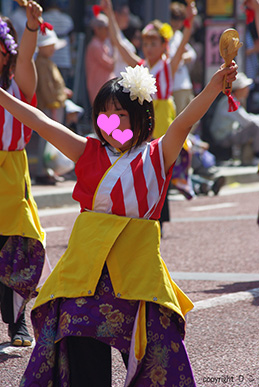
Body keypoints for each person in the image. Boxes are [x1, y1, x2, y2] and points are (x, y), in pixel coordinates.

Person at [0, 55, 237, 385]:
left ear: (142, 116)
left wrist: (214, 86)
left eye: (122, 114)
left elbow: (183, 123)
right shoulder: (88, 150)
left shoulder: (157, 155)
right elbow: (41, 123)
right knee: (81, 352)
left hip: (138, 277)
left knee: (154, 361)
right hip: (86, 277)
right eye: (105, 114)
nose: (112, 121)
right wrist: (2, 95)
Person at [101, 0, 197, 228]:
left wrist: (190, 19)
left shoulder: (168, 66)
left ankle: (159, 218)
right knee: (147, 172)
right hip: (144, 125)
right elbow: (119, 44)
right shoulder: (140, 66)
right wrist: (109, 14)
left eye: (154, 42)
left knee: (160, 173)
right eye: (146, 42)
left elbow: (184, 38)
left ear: (164, 45)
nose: (149, 47)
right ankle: (145, 215)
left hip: (163, 124)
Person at [0, 1, 51, 348]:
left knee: (20, 247)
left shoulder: (18, 88)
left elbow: (27, 61)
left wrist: (31, 28)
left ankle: (18, 322)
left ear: (6, 53)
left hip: (12, 175)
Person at [35, 27, 73, 184]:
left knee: (50, 141)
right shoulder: (42, 64)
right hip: (50, 107)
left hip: (53, 106)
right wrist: (60, 97)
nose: (53, 48)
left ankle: (49, 170)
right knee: (46, 141)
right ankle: (43, 171)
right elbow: (47, 89)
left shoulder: (46, 62)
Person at [210, 72, 259, 165]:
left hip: (227, 135)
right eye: (245, 87)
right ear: (238, 89)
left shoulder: (232, 99)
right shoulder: (230, 101)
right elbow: (247, 121)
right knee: (256, 126)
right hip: (223, 138)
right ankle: (257, 157)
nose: (247, 90)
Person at [169, 1, 197, 115]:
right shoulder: (165, 36)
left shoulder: (179, 35)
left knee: (193, 118)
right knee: (179, 118)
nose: (177, 23)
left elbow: (192, 54)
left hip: (185, 83)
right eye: (175, 19)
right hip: (174, 86)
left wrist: (183, 57)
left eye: (180, 19)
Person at [85, 13, 115, 106]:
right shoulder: (95, 46)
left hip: (104, 88)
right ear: (97, 29)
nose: (107, 31)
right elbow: (110, 65)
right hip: (99, 88)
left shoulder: (102, 44)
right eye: (105, 28)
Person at [42, 1, 74, 86]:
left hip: (48, 59)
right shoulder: (67, 19)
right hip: (64, 60)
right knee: (62, 88)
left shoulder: (43, 17)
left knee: (49, 88)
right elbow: (72, 39)